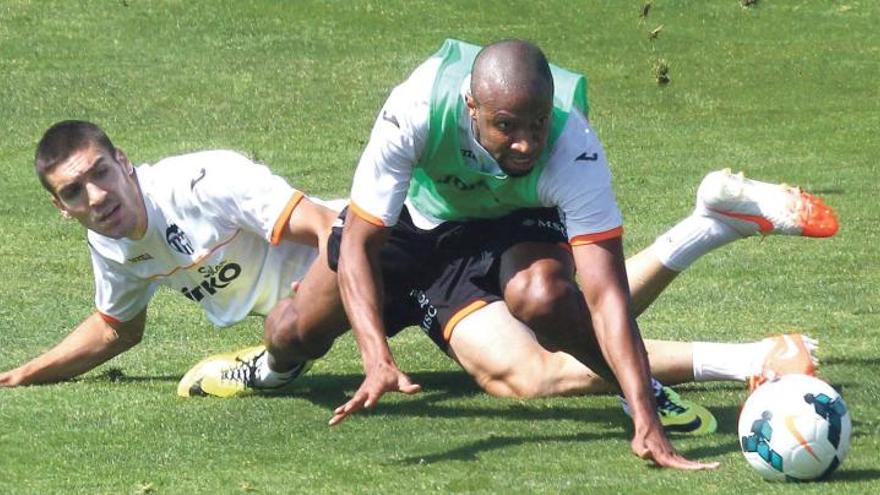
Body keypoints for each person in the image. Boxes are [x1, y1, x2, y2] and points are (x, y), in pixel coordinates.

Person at [223, 39, 836, 470]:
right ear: (471, 111)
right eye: (507, 126)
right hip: (417, 227)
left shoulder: (572, 144)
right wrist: (375, 356)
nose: (526, 143)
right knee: (289, 329)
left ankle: (640, 383)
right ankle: (270, 370)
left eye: (536, 124)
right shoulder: (414, 109)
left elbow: (605, 292)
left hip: (513, 228)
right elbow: (358, 240)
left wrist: (640, 407)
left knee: (539, 313)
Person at [0, 120, 820, 425]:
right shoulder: (111, 245)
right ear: (63, 206)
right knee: (546, 344)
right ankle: (713, 226)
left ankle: (751, 356)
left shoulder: (203, 181)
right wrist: (24, 373)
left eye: (100, 173)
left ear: (123, 160)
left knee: (532, 372)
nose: (97, 195)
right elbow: (116, 325)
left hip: (398, 260)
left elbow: (332, 231)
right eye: (75, 192)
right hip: (389, 289)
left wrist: (326, 345)